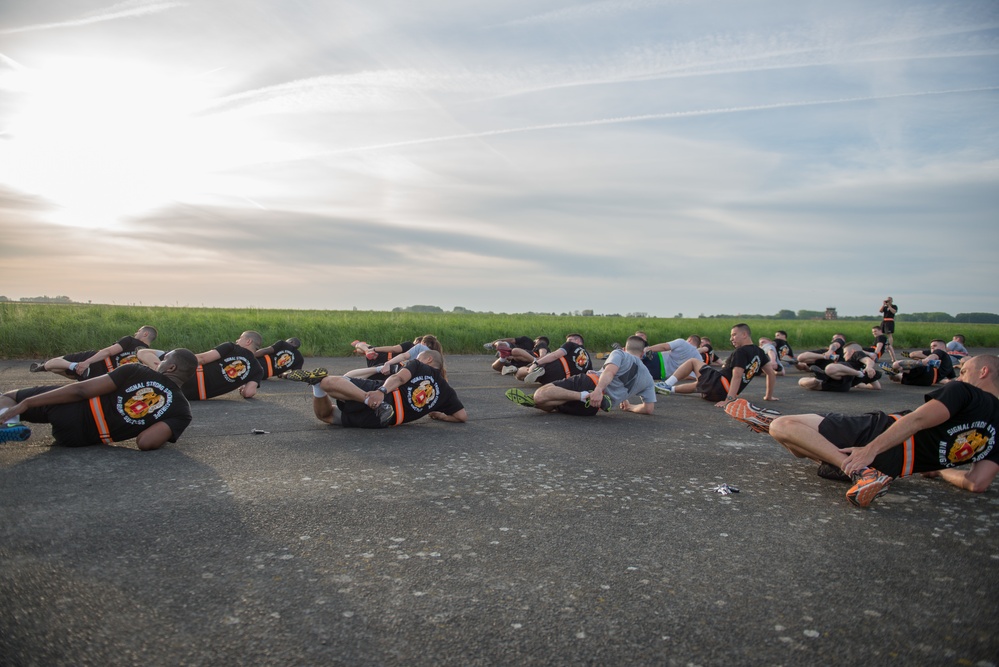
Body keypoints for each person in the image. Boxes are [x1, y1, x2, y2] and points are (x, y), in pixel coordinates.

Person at [725, 355, 999, 508]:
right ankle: (768, 424)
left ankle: (860, 472)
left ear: (984, 371)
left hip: (878, 434)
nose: (960, 376)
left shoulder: (965, 392)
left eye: (965, 371)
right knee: (798, 447)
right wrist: (940, 471)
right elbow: (977, 483)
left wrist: (868, 452)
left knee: (784, 427)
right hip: (896, 468)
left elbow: (917, 420)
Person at [0, 348, 197, 450]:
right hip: (78, 439)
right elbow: (145, 442)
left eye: (165, 359)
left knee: (9, 397)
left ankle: (10, 423)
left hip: (70, 410)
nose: (160, 361)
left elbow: (81, 390)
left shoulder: (136, 371)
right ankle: (9, 423)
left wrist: (27, 403)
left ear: (171, 367)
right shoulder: (182, 411)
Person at [297, 349, 467, 428]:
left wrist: (381, 392)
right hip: (385, 420)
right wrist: (439, 415)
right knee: (327, 416)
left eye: (420, 357)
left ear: (428, 359)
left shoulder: (418, 365)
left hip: (384, 397)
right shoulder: (447, 391)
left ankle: (320, 384)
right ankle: (317, 385)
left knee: (328, 383)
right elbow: (461, 416)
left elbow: (399, 378)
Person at [505, 335, 655, 416]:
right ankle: (539, 402)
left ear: (625, 348)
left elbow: (610, 372)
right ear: (642, 353)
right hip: (592, 409)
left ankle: (584, 396)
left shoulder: (620, 354)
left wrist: (598, 391)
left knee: (540, 395)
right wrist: (630, 407)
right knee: (550, 404)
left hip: (592, 386)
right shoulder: (648, 379)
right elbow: (648, 409)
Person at [654, 323, 777, 406]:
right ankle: (668, 390)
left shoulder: (741, 351)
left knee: (693, 362)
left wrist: (729, 401)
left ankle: (666, 384)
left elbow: (737, 375)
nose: (731, 339)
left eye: (734, 335)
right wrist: (768, 396)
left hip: (720, 386)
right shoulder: (760, 352)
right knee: (700, 383)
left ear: (744, 334)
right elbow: (771, 374)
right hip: (719, 393)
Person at [140, 331, 264, 400]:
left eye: (240, 338)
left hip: (186, 377)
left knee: (143, 353)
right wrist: (242, 389)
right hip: (191, 395)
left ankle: (159, 375)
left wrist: (182, 358)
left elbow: (202, 359)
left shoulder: (232, 347)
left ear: (248, 341)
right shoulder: (258, 370)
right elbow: (249, 393)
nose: (237, 340)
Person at [28, 326, 159, 380]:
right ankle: (73, 368)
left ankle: (44, 366)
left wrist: (86, 362)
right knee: (58, 369)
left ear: (145, 333)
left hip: (98, 360)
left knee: (52, 364)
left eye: (138, 331)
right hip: (104, 376)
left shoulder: (130, 340)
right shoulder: (148, 353)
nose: (136, 333)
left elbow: (108, 351)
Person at [799, 343, 882, 392]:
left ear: (852, 351)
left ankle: (858, 373)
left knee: (829, 368)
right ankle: (819, 379)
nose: (844, 356)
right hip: (842, 386)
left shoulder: (856, 354)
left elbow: (868, 360)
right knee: (802, 381)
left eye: (845, 353)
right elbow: (876, 387)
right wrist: (860, 385)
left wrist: (869, 367)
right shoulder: (868, 373)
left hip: (847, 373)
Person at [521, 334, 592, 385]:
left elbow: (555, 355)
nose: (567, 342)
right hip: (562, 380)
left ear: (578, 340)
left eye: (569, 340)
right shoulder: (588, 358)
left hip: (553, 368)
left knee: (520, 373)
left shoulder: (571, 344)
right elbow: (589, 374)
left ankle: (523, 370)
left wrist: (536, 363)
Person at [884, 339, 956, 386]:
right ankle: (895, 372)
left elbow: (934, 356)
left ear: (943, 346)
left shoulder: (940, 351)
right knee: (896, 377)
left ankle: (897, 368)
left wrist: (926, 360)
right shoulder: (950, 365)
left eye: (934, 345)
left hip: (927, 372)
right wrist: (940, 381)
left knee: (896, 364)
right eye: (931, 346)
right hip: (926, 382)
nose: (932, 347)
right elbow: (951, 380)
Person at [485, 336, 550, 376]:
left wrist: (538, 362)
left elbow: (542, 355)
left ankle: (504, 355)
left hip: (535, 361)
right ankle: (504, 357)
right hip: (521, 364)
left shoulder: (541, 343)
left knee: (515, 351)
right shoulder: (528, 342)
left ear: (538, 340)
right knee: (495, 367)